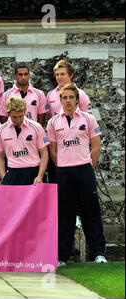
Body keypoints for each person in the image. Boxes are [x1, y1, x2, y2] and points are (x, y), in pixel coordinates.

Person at [47, 83, 107, 266]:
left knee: (91, 211)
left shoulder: (88, 120)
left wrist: (88, 167)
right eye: (64, 98)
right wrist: (63, 167)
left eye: (71, 97)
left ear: (77, 99)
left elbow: (96, 147)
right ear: (60, 100)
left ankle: (98, 253)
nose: (68, 101)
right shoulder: (53, 122)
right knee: (65, 214)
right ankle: (62, 257)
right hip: (64, 171)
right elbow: (53, 151)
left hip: (84, 170)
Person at [0, 97, 49, 185]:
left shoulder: (36, 127)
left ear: (24, 111)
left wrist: (40, 176)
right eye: (14, 117)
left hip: (34, 172)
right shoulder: (0, 130)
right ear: (8, 113)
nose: (18, 120)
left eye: (20, 116)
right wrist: (4, 177)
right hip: (13, 172)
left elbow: (44, 153)